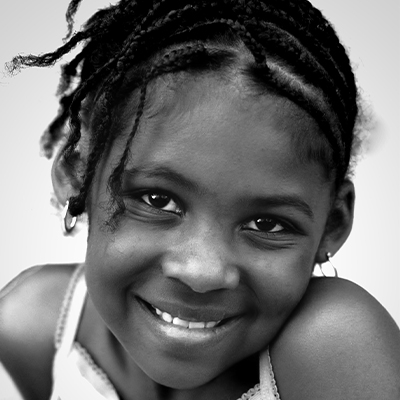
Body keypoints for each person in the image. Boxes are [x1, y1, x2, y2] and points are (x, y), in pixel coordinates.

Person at [0, 0, 399, 399]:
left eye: (266, 224)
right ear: (78, 174)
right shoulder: (34, 327)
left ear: (332, 224)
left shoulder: (334, 343)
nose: (202, 272)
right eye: (158, 200)